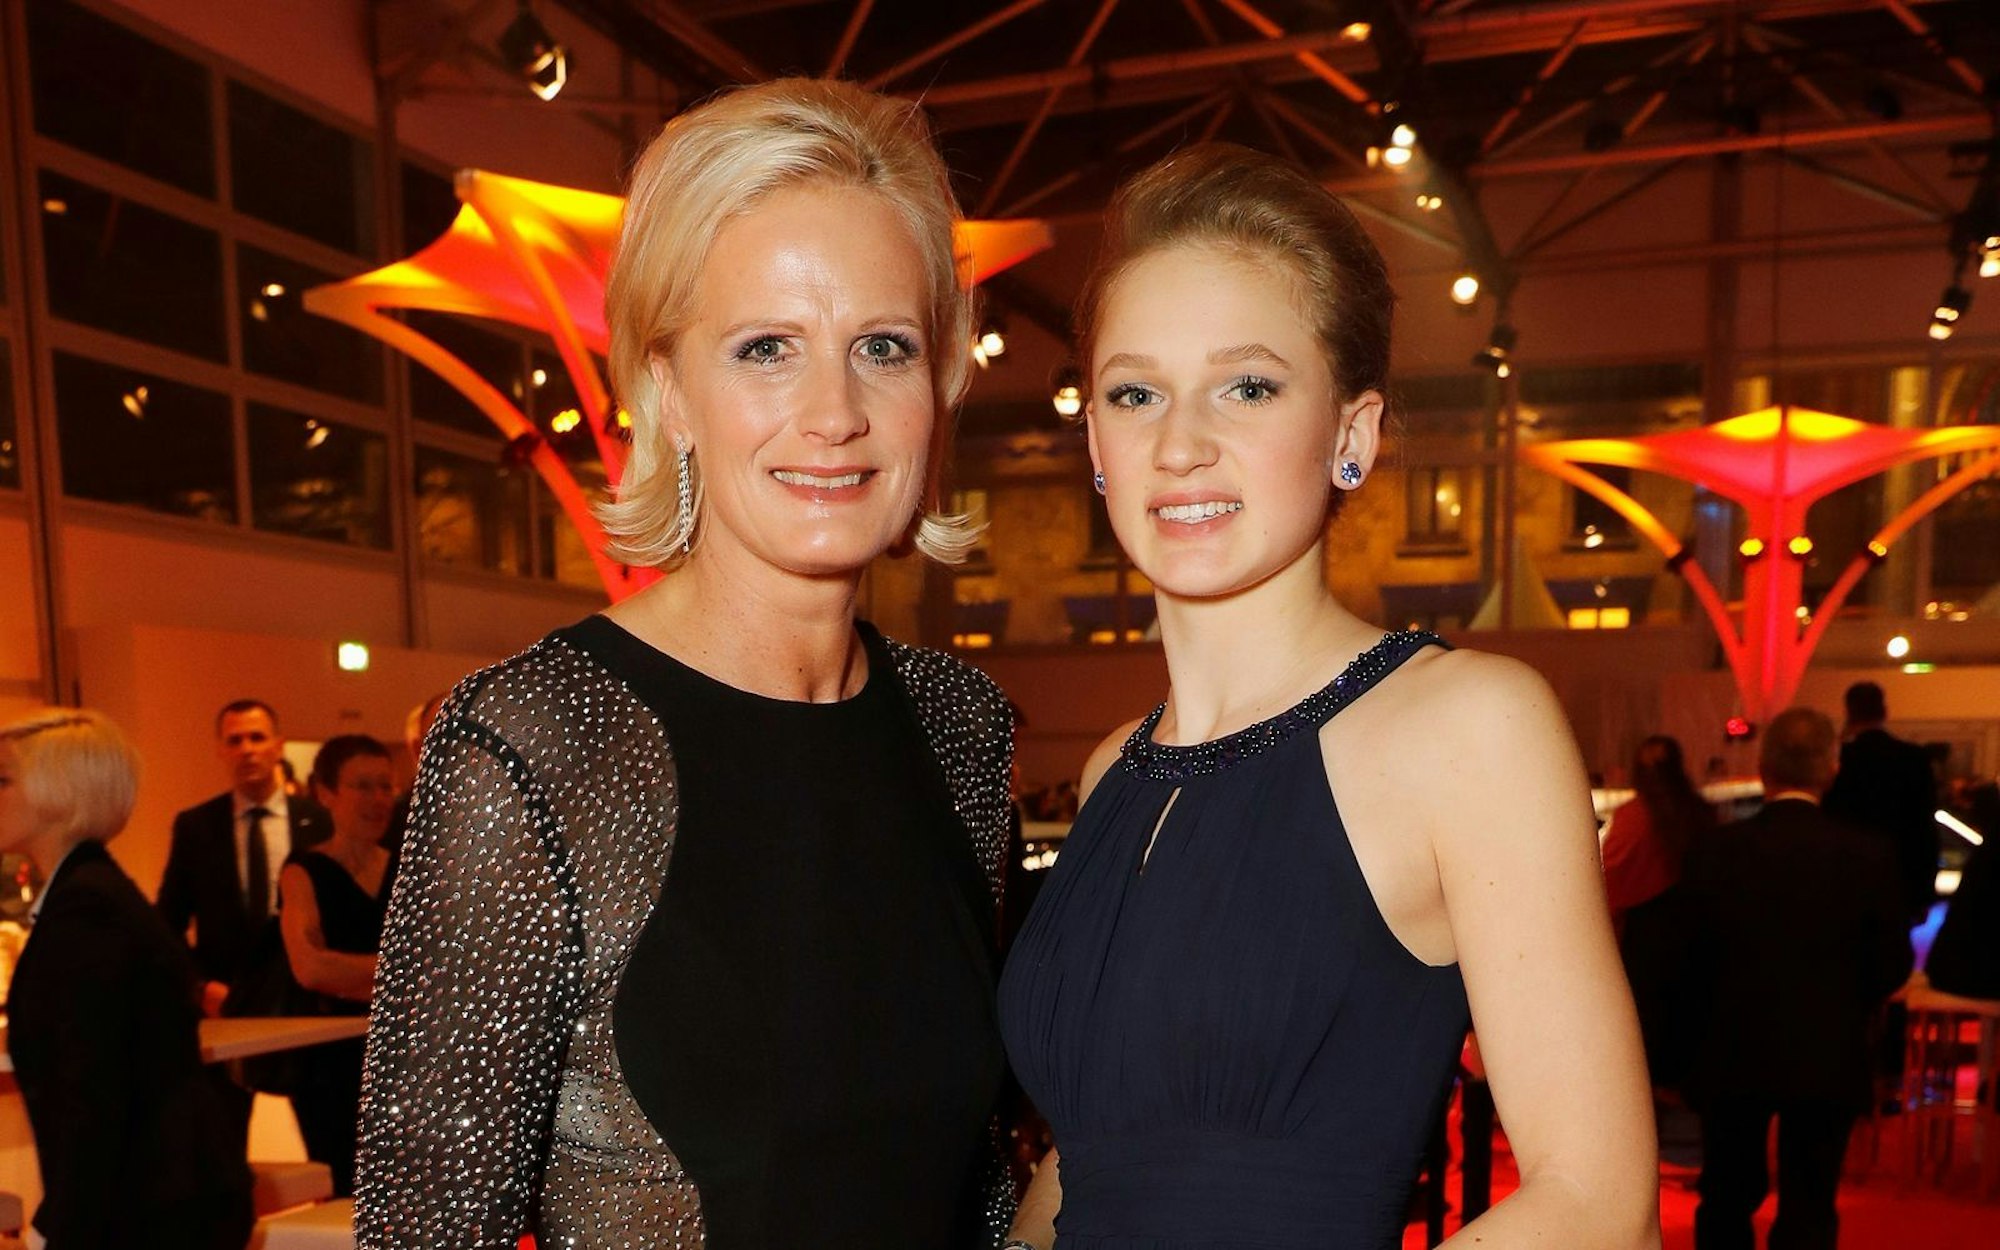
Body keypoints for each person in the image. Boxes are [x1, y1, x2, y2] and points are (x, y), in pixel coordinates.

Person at [357, 78, 1015, 1249]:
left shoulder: (961, 727)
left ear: (939, 382)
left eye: (882, 346)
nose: (833, 411)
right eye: (766, 347)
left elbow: (978, 1180)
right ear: (667, 388)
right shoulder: (532, 743)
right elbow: (427, 1231)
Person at [997, 144, 1658, 1250]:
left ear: (1348, 435)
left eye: (1245, 385)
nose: (1180, 440)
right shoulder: (1117, 767)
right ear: (1097, 444)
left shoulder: (1466, 725)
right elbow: (1092, 1155)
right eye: (1134, 390)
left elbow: (1597, 1202)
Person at [1, 708, 253, 1250]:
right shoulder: (89, 891)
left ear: (59, 792)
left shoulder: (87, 905)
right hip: (159, 1196)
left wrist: (63, 1230)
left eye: (3, 779)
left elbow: (93, 1092)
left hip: (152, 1209)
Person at [1677, 707, 1912, 1250]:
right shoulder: (1868, 855)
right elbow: (1890, 966)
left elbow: (1687, 962)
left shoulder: (1716, 852)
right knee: (1811, 1202)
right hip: (1827, 1051)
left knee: (1725, 1197)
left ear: (1762, 767)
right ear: (1831, 767)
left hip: (1733, 1047)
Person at [157, 698, 332, 1151]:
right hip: (227, 1006)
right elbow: (166, 926)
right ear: (220, 750)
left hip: (304, 1007)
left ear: (278, 746)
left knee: (329, 1143)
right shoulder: (197, 826)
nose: (247, 749)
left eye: (257, 738)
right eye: (235, 740)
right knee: (220, 1148)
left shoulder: (317, 822)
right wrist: (199, 988)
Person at [277, 734, 395, 1198]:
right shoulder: (303, 870)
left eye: (385, 786)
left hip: (403, 1056)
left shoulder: (412, 865)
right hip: (329, 1067)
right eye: (362, 786)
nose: (378, 799)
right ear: (325, 793)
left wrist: (354, 975)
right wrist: (402, 973)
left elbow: (444, 969)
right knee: (345, 1198)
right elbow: (311, 969)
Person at [1823, 680, 1938, 925]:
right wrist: (1923, 894)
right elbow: (1925, 830)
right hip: (1900, 880)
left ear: (1849, 712)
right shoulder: (1913, 759)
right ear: (1884, 711)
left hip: (1847, 881)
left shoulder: (1839, 760)